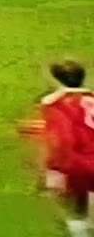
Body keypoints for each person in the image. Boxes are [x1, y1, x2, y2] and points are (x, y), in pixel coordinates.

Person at [19, 61, 94, 237]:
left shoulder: (55, 104)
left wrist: (45, 170)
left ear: (55, 81)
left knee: (74, 208)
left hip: (77, 162)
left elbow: (62, 138)